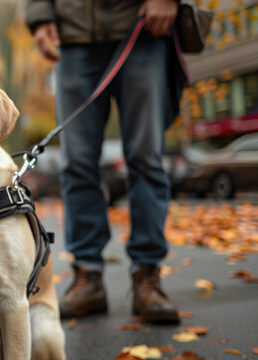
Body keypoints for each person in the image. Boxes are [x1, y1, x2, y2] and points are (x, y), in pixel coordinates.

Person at [27, 0, 186, 323]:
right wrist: (39, 15)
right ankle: (88, 275)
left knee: (146, 158)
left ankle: (147, 276)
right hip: (73, 33)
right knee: (76, 163)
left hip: (142, 24)